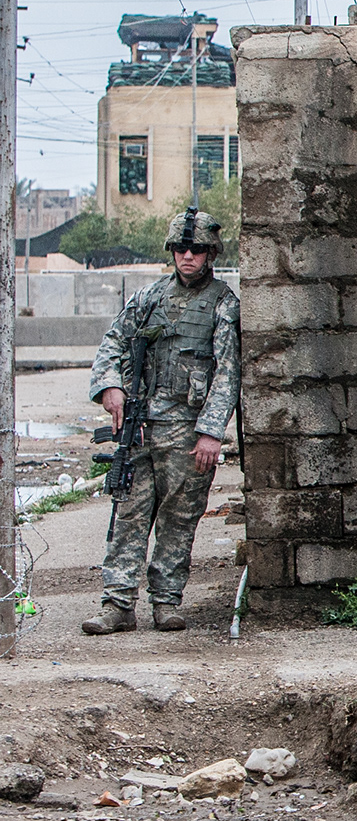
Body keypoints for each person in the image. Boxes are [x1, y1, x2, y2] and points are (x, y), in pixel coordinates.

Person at [80, 210, 241, 634]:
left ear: (210, 254)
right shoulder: (150, 297)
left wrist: (210, 431)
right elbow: (112, 342)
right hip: (141, 425)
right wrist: (110, 386)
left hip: (188, 432)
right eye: (181, 248)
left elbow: (228, 372)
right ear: (171, 252)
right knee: (129, 513)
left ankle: (166, 602)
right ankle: (117, 604)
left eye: (197, 249)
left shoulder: (223, 303)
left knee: (179, 518)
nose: (188, 256)